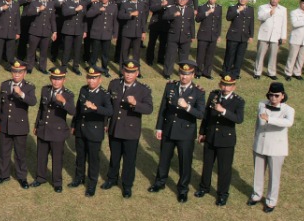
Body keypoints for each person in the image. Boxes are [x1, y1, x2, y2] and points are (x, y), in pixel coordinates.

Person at [151, 62, 205, 202]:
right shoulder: (170, 86)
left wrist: (187, 107)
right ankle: (160, 182)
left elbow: (200, 114)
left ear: (193, 75)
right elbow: (163, 108)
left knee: (184, 161)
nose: (184, 77)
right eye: (182, 73)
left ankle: (183, 189)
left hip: (185, 133)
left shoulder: (198, 92)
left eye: (187, 74)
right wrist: (159, 127)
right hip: (169, 129)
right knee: (164, 158)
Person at [104, 60, 154, 198]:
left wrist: (136, 103)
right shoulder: (114, 84)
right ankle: (111, 179)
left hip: (130, 131)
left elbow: (149, 109)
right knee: (114, 157)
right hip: (114, 128)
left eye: (132, 72)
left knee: (129, 160)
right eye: (127, 71)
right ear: (123, 71)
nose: (129, 75)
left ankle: (127, 185)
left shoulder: (143, 90)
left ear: (137, 73)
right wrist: (105, 123)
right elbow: (108, 105)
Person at [197, 74, 245, 205]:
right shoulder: (214, 95)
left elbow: (239, 119)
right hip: (211, 136)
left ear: (234, 87)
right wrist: (202, 132)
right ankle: (204, 187)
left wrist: (223, 111)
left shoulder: (238, 101)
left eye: (229, 85)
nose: (226, 87)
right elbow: (207, 115)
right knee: (207, 164)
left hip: (226, 140)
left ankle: (222, 194)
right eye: (224, 84)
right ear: (220, 85)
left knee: (224, 168)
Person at [251, 82, 295, 213]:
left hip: (276, 148)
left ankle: (271, 201)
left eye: (276, 96)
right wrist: (255, 138)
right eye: (271, 95)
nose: (273, 98)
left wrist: (270, 119)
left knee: (274, 175)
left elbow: (288, 123)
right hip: (260, 144)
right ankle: (256, 195)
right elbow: (257, 124)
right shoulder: (261, 105)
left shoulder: (288, 110)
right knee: (258, 172)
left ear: (282, 96)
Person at [71, 67, 114, 195]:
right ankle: (79, 178)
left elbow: (110, 111)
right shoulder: (83, 89)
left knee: (93, 159)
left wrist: (95, 108)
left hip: (94, 132)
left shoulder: (104, 94)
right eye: (89, 77)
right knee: (80, 156)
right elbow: (78, 109)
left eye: (94, 78)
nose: (91, 80)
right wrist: (74, 124)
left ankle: (92, 184)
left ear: (99, 79)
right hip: (81, 129)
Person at [0, 60, 35, 188]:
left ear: (24, 73)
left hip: (19, 126)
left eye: (19, 72)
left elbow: (33, 101)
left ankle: (22, 177)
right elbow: (0, 105)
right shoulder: (5, 85)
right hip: (5, 124)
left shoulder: (29, 87)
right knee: (4, 152)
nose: (16, 75)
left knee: (20, 154)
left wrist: (21, 94)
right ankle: (3, 175)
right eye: (14, 72)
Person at [33, 67, 73, 192]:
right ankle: (40, 178)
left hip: (57, 132)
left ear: (64, 80)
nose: (56, 82)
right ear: (51, 79)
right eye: (54, 79)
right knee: (41, 155)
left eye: (59, 79)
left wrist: (64, 102)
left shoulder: (68, 94)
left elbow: (73, 111)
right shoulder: (45, 90)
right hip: (44, 129)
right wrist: (36, 125)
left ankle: (57, 182)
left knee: (57, 158)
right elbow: (41, 108)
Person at [254, 0, 288, 78]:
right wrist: (269, 13)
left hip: (276, 35)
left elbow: (284, 24)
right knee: (260, 54)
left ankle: (271, 73)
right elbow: (260, 17)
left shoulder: (283, 9)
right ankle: (257, 72)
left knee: (273, 55)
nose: (274, 0)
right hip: (264, 34)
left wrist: (283, 36)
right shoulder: (263, 7)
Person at [163, 0, 195, 79]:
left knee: (184, 56)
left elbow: (191, 23)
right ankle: (167, 72)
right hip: (173, 35)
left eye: (184, 0)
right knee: (170, 55)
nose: (181, 1)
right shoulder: (172, 8)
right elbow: (164, 17)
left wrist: (192, 36)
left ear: (187, 0)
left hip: (185, 36)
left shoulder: (190, 10)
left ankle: (183, 71)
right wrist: (173, 15)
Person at [223, 0, 254, 79]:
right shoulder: (232, 8)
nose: (242, 0)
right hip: (233, 36)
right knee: (230, 55)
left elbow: (251, 23)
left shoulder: (250, 9)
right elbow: (228, 18)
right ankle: (226, 71)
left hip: (244, 36)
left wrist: (251, 35)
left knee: (240, 56)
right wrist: (237, 11)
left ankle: (236, 73)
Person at [194, 0, 223, 78]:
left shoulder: (219, 7)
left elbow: (219, 22)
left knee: (210, 55)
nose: (212, 0)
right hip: (203, 34)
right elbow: (197, 19)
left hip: (213, 35)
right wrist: (207, 13)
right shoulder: (202, 7)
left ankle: (207, 72)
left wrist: (218, 35)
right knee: (200, 55)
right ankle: (198, 72)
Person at [284, 0, 304, 80]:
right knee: (292, 57)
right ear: (300, 3)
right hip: (296, 38)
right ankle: (288, 73)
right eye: (303, 3)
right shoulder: (295, 12)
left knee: (301, 57)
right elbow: (295, 24)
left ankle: (297, 73)